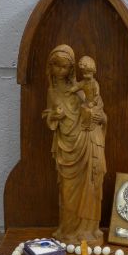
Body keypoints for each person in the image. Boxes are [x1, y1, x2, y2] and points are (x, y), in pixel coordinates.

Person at [42, 45, 107, 244]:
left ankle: (88, 230)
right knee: (68, 191)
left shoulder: (83, 88)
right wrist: (55, 115)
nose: (61, 71)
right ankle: (69, 230)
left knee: (92, 185)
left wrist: (99, 117)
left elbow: (101, 113)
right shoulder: (52, 92)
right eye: (57, 66)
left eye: (65, 67)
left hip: (88, 143)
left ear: (71, 68)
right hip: (67, 147)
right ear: (50, 67)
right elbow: (48, 116)